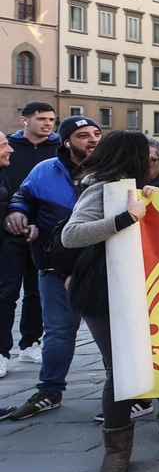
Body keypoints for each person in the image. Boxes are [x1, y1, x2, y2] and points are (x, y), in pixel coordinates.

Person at [56, 129, 159, 472]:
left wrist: (157, 204)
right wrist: (125, 217)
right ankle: (117, 451)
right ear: (133, 158)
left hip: (148, 287)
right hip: (103, 289)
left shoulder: (140, 188)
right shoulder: (100, 189)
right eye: (150, 157)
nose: (156, 162)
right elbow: (71, 235)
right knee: (120, 369)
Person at [3, 115, 100, 422]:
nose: (93, 139)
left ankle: (127, 394)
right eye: (83, 135)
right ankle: (50, 391)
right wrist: (18, 214)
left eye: (96, 133)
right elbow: (23, 199)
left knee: (111, 334)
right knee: (58, 332)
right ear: (67, 141)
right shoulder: (45, 170)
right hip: (53, 265)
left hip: (100, 267)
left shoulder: (114, 171)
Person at [1, 102, 56, 375]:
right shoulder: (10, 147)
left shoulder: (59, 150)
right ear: (25, 120)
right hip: (10, 228)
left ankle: (31, 343)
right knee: (6, 290)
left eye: (51, 120)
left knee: (36, 292)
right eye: (41, 119)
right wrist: (12, 213)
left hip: (42, 229)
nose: (47, 124)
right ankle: (1, 351)